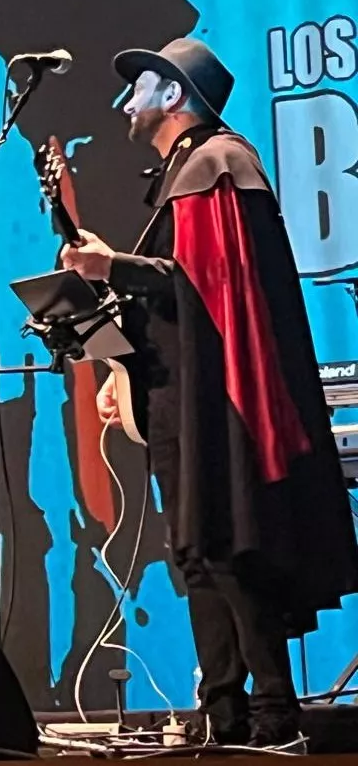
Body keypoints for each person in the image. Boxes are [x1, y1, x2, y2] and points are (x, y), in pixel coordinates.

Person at [61, 38, 358, 745]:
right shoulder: (177, 174)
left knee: (229, 545)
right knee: (194, 550)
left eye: (142, 86)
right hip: (176, 394)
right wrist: (114, 353)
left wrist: (117, 267)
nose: (127, 99)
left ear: (174, 96)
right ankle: (222, 712)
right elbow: (173, 296)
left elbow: (212, 288)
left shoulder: (217, 165)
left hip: (220, 400)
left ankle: (274, 710)